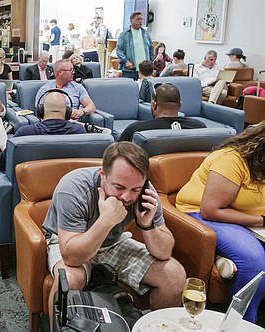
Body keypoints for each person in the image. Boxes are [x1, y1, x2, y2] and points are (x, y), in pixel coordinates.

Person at [45, 141, 187, 330]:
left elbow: (164, 252)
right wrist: (107, 220)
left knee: (174, 275)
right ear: (103, 175)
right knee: (69, 278)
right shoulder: (73, 187)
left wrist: (147, 226)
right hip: (69, 240)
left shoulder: (145, 192)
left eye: (135, 189)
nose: (127, 197)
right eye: (119, 187)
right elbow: (71, 257)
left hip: (113, 242)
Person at [176, 123, 265, 323]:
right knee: (253, 261)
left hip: (248, 221)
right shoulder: (232, 160)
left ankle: (222, 256)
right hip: (202, 212)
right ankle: (242, 324)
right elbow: (211, 210)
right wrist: (261, 220)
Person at [0, 90, 86, 171]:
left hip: (27, 189)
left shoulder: (25, 133)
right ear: (67, 112)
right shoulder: (79, 131)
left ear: (40, 111)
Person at [119, 82, 207, 141]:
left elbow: (113, 155)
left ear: (154, 105)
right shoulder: (200, 128)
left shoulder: (136, 130)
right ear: (180, 105)